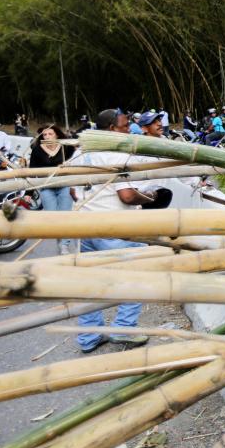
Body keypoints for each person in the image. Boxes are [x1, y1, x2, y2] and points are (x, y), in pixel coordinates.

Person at [75, 108, 164, 352]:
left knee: (90, 284)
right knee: (136, 276)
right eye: (125, 126)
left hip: (83, 225)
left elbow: (73, 190)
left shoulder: (81, 151)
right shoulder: (115, 155)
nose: (129, 130)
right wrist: (149, 197)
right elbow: (126, 196)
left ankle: (89, 337)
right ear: (112, 129)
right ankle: (124, 329)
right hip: (115, 227)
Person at [29, 124, 77, 255]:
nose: (47, 136)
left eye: (50, 134)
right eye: (44, 134)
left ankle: (64, 245)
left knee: (65, 216)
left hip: (64, 184)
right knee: (52, 217)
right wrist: (29, 192)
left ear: (57, 135)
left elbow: (77, 161)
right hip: (47, 186)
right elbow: (32, 171)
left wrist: (69, 165)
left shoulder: (66, 147)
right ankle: (60, 240)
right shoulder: (37, 150)